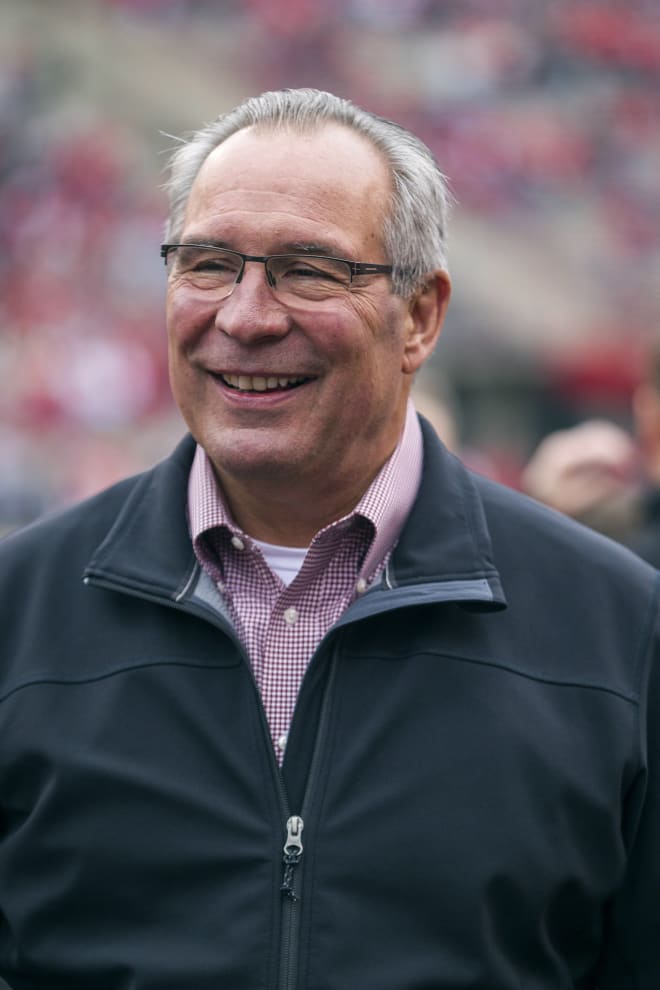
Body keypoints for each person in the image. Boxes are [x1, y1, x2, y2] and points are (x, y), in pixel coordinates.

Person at [1, 88, 658, 990]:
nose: (245, 316)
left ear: (420, 317)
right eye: (207, 264)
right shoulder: (18, 611)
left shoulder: (619, 628)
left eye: (308, 270)